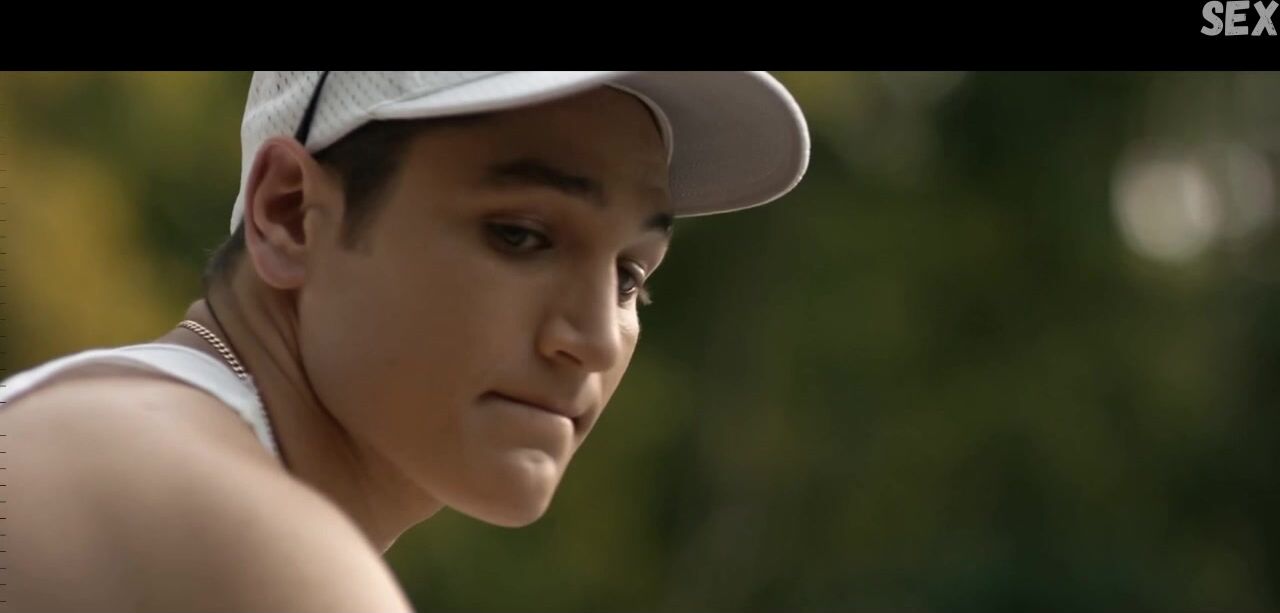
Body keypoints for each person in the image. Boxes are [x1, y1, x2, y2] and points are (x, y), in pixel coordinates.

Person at [0, 71, 810, 611]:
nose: (596, 339)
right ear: (289, 213)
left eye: (631, 275)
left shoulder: (121, 438)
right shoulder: (239, 540)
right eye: (522, 235)